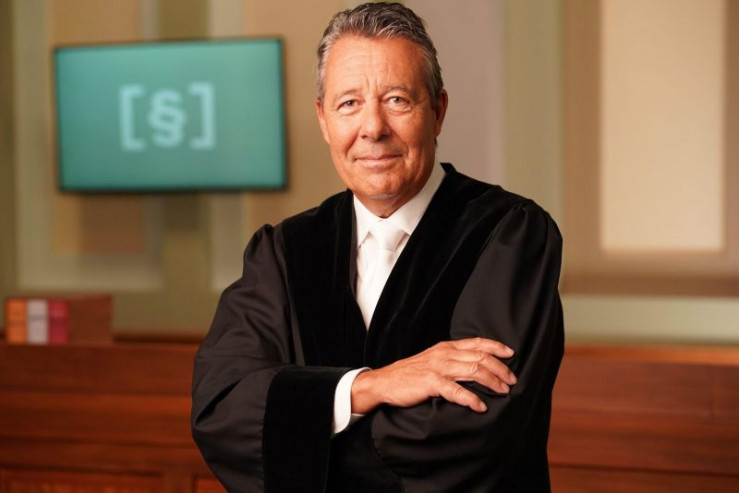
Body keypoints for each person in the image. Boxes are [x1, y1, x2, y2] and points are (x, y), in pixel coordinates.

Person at [191, 3, 564, 492]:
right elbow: (221, 409)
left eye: (396, 100)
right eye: (348, 104)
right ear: (323, 120)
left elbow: (473, 430)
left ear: (438, 111)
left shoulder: (510, 234)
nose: (372, 128)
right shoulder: (283, 251)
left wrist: (308, 435)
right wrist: (369, 386)